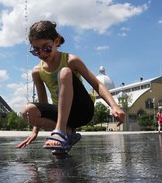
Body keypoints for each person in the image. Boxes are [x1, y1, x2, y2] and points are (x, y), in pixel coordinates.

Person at [16, 20, 125, 152]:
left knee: (65, 72)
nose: (42, 54)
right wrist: (35, 130)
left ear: (56, 42)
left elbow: (97, 84)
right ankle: (67, 132)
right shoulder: (37, 72)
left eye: (46, 48)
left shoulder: (70, 60)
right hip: (63, 115)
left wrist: (114, 106)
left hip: (82, 111)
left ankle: (60, 132)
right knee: (27, 112)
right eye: (37, 50)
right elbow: (43, 104)